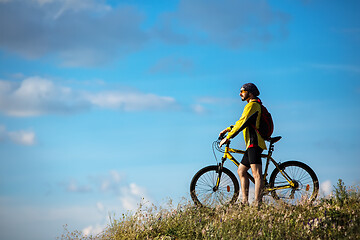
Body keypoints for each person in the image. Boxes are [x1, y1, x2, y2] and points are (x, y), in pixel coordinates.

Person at [219, 83, 267, 207]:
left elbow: (242, 123)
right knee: (241, 171)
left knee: (257, 175)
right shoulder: (251, 106)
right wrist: (228, 129)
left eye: (242, 91)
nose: (240, 94)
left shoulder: (253, 105)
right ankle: (245, 202)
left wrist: (228, 138)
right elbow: (243, 122)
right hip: (250, 144)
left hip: (254, 143)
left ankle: (258, 204)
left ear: (250, 93)